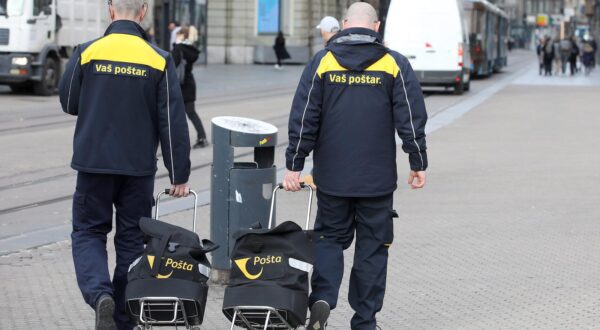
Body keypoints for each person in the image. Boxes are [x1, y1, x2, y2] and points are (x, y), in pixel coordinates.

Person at [283, 3, 427, 329]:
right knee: (373, 249)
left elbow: (304, 117)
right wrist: (418, 161)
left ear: (345, 25)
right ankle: (365, 320)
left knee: (329, 240)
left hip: (332, 178)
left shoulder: (323, 62)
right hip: (377, 180)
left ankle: (322, 298)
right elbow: (411, 117)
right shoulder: (394, 63)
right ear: (376, 27)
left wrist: (294, 164)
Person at [57, 0, 191, 329]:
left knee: (89, 231)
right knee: (132, 240)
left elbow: (69, 101)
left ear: (111, 10)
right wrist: (179, 174)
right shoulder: (159, 59)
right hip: (138, 168)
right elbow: (172, 121)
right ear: (143, 12)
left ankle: (99, 294)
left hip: (93, 164)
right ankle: (122, 317)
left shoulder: (86, 52)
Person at [172, 26, 208, 148]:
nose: (176, 36)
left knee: (171, 113)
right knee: (191, 112)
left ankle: (172, 139)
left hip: (178, 85)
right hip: (189, 84)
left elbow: (171, 66)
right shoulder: (191, 50)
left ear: (182, 35)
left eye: (178, 34)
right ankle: (202, 137)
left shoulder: (178, 49)